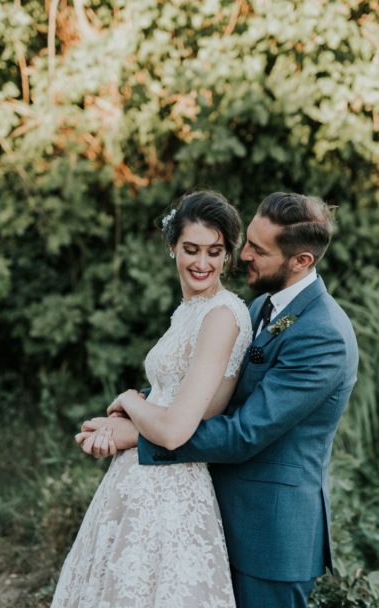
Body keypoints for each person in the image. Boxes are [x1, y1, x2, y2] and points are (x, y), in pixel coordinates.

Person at [80, 192, 359, 608]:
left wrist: (137, 434)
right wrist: (141, 406)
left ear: (301, 261)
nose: (242, 254)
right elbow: (209, 392)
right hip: (215, 513)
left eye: (258, 250)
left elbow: (245, 432)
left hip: (271, 536)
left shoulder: (324, 335)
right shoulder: (263, 304)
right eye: (246, 241)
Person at [51, 190, 252, 607]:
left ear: (228, 254)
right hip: (139, 477)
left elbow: (178, 428)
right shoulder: (189, 311)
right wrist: (117, 429)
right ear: (172, 246)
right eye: (191, 249)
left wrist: (128, 399)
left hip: (171, 490)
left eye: (215, 252)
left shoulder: (222, 315)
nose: (202, 263)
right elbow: (170, 400)